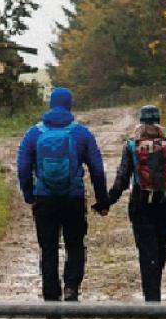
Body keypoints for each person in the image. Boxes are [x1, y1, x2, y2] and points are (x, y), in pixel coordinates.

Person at [16, 86, 108, 305]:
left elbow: (22, 167)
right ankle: (71, 287)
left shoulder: (34, 133)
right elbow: (96, 167)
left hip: (44, 198)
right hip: (73, 197)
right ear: (69, 105)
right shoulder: (81, 133)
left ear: (50, 104)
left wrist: (29, 194)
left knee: (48, 247)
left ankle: (51, 294)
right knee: (75, 244)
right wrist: (102, 198)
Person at [99, 104, 166, 303]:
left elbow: (122, 178)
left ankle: (151, 298)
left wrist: (107, 201)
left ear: (141, 121)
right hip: (165, 201)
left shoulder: (132, 145)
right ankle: (156, 291)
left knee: (147, 250)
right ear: (159, 120)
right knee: (161, 247)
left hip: (140, 201)